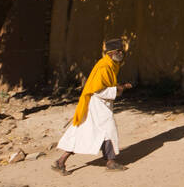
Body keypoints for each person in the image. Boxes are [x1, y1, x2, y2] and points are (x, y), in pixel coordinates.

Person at [52, 39, 133, 173]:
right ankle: (110, 162)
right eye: (119, 51)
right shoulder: (104, 67)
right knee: (108, 129)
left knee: (84, 132)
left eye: (121, 51)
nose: (121, 53)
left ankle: (60, 162)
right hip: (97, 105)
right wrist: (119, 88)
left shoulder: (111, 64)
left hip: (99, 105)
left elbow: (107, 84)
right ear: (112, 52)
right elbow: (98, 90)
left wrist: (118, 87)